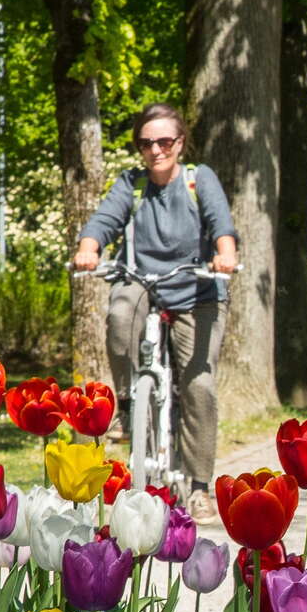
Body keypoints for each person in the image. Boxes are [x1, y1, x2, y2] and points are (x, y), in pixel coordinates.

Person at [72, 103, 238, 510]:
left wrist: (225, 254)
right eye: (147, 143)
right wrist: (88, 248)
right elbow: (104, 220)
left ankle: (199, 487)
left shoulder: (200, 181)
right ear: (140, 148)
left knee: (198, 384)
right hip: (143, 280)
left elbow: (220, 222)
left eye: (165, 141)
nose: (156, 149)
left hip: (197, 287)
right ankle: (129, 403)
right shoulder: (131, 184)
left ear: (179, 143)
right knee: (119, 312)